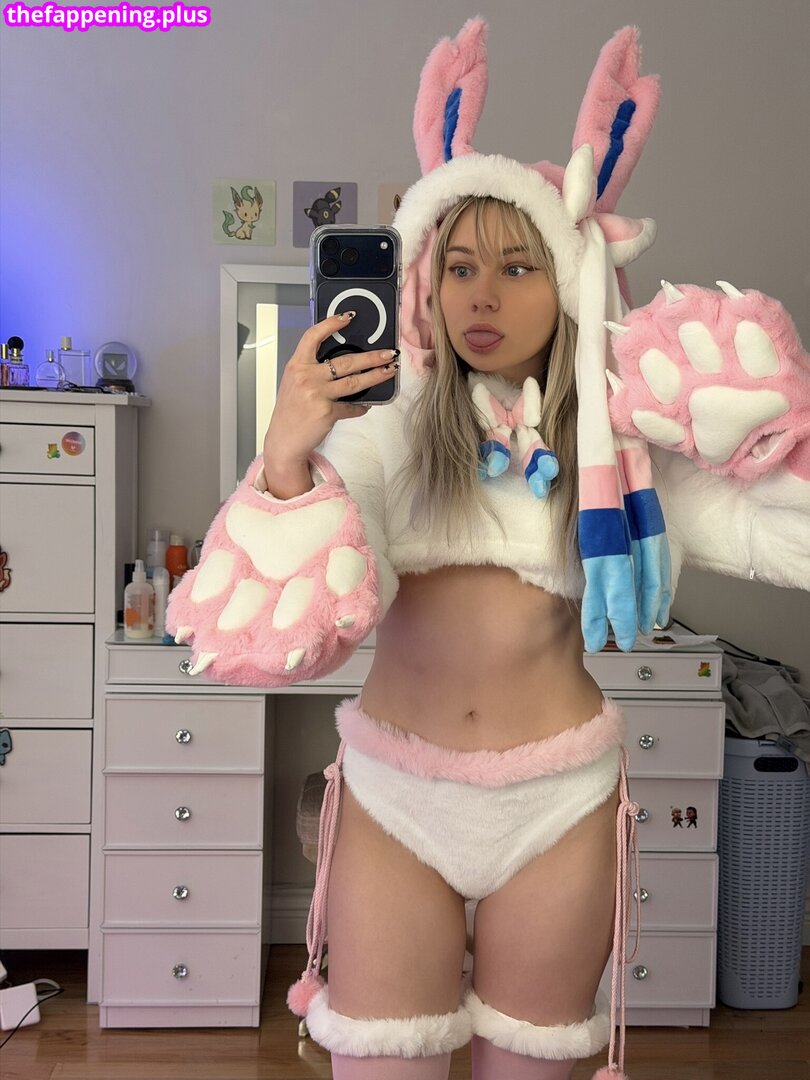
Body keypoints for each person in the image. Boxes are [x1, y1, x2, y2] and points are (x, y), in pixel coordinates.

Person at [167, 20, 810, 1080]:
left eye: (518, 267)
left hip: (558, 800)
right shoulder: (378, 428)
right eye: (459, 266)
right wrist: (285, 455)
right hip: (396, 792)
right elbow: (304, 611)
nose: (483, 293)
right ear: (425, 279)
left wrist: (763, 427)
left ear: (570, 281)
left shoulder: (616, 451)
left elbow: (768, 530)